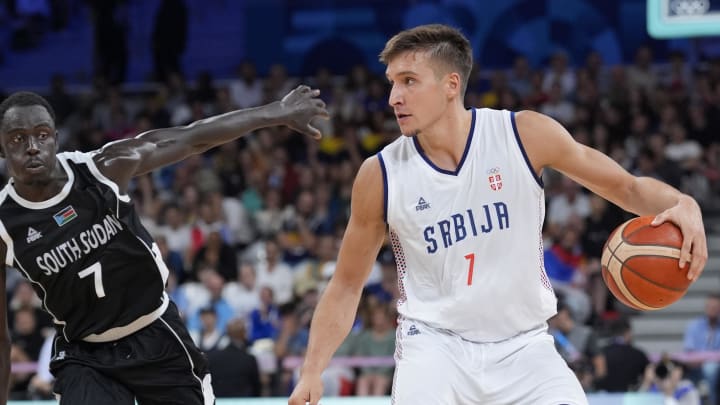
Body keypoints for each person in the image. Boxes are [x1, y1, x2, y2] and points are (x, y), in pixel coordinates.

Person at [288, 24, 708, 405]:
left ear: (452, 85)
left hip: (524, 347)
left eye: (409, 81)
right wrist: (312, 370)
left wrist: (680, 204)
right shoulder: (379, 174)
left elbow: (627, 187)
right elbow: (345, 284)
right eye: (392, 83)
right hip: (436, 348)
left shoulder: (522, 135)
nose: (393, 97)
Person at [0, 85, 328, 404]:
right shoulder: (4, 225)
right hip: (86, 354)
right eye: (18, 138)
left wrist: (276, 112)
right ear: (2, 147)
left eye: (42, 134)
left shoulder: (101, 169)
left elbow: (192, 137)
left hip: (154, 332)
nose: (32, 146)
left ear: (56, 138)